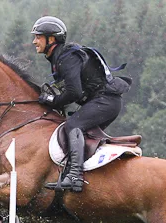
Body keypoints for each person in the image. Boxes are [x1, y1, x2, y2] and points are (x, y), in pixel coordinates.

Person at [31, 16, 131, 192]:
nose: (34, 41)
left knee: (73, 125)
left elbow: (74, 92)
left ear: (51, 39)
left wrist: (52, 100)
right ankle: (77, 174)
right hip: (104, 101)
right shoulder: (61, 57)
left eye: (38, 37)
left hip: (105, 101)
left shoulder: (66, 58)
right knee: (78, 129)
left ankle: (75, 176)